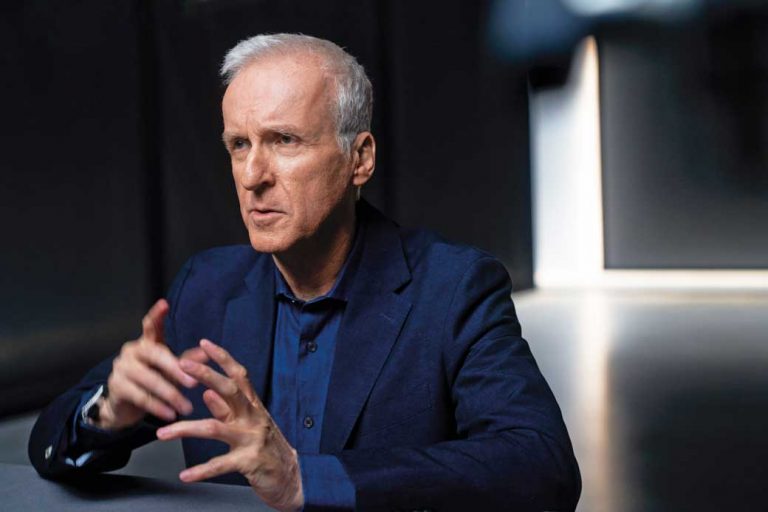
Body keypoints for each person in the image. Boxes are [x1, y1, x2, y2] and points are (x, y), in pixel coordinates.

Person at [29, 33, 580, 511]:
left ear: (360, 159)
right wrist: (109, 411)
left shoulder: (453, 287)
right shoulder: (206, 287)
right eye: (238, 145)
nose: (253, 175)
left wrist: (304, 480)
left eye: (284, 141)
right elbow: (49, 444)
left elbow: (542, 465)